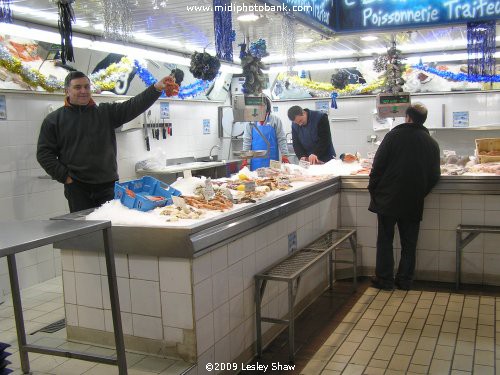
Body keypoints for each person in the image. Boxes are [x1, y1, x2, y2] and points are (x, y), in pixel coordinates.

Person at [37, 71, 175, 213]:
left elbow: (133, 105)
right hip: (78, 189)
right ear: (67, 90)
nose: (83, 91)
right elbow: (44, 154)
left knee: (113, 227)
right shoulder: (54, 120)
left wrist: (156, 88)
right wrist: (65, 177)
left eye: (86, 87)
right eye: (78, 87)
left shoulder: (105, 112)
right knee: (87, 230)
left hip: (108, 186)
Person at [368, 103, 441, 291]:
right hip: (413, 199)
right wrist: (420, 192)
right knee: (409, 242)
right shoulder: (431, 143)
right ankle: (405, 280)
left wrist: (374, 190)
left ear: (407, 117)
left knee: (385, 239)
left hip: (387, 197)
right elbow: (435, 176)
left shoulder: (392, 136)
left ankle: (385, 280)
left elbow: (378, 166)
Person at [241, 96, 289, 170]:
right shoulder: (250, 122)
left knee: (273, 179)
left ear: (267, 109)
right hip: (256, 161)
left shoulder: (275, 120)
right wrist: (244, 159)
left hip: (272, 159)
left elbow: (281, 139)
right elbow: (247, 141)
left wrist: (285, 155)